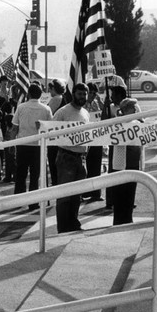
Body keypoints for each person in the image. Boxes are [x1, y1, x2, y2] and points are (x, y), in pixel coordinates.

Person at [53, 83, 90, 232]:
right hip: (66, 157)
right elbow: (50, 130)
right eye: (80, 94)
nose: (82, 97)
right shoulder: (63, 112)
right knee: (64, 196)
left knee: (77, 194)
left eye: (84, 94)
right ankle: (63, 227)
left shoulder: (86, 113)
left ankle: (73, 223)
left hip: (81, 158)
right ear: (73, 94)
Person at [10, 83, 53, 210]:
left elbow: (14, 128)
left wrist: (12, 143)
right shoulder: (46, 109)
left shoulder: (21, 107)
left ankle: (18, 200)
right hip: (38, 145)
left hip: (23, 144)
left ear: (28, 94)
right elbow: (49, 127)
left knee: (21, 173)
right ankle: (33, 202)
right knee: (35, 175)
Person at [111, 98, 142, 225]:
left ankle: (128, 219)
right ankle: (119, 220)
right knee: (120, 195)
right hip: (120, 164)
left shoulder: (137, 123)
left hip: (133, 163)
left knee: (130, 194)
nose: (135, 110)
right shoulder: (118, 124)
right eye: (132, 108)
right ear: (124, 110)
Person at [82, 82, 105, 201]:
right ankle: (82, 193)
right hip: (85, 139)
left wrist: (101, 102)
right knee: (84, 167)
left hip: (96, 138)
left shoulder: (96, 104)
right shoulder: (82, 105)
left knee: (96, 166)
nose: (92, 95)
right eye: (90, 92)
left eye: (94, 93)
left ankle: (96, 193)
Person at [47, 78, 67, 186]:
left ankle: (55, 182)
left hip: (55, 133)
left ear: (54, 88)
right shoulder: (63, 98)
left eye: (50, 90)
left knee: (53, 160)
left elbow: (49, 115)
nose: (49, 92)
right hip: (62, 134)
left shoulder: (55, 99)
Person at [2, 113, 16, 183]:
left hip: (12, 146)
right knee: (7, 162)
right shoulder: (8, 127)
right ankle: (8, 176)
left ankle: (15, 176)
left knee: (12, 161)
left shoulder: (13, 128)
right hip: (6, 145)